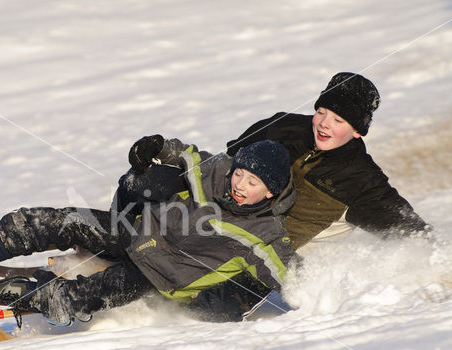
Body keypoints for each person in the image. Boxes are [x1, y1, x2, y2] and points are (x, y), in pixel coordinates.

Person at [0, 139, 296, 323]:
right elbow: (188, 155)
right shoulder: (220, 171)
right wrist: (157, 146)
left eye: (253, 183)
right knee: (59, 220)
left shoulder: (265, 235)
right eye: (240, 174)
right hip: (136, 230)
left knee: (84, 296)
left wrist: (327, 299)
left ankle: (17, 294)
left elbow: (292, 277)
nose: (240, 185)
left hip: (159, 277)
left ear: (272, 191)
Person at [119, 72, 429, 253]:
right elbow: (224, 163)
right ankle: (115, 245)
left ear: (357, 130)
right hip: (218, 211)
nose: (323, 124)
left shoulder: (360, 178)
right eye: (322, 112)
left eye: (338, 120)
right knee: (142, 180)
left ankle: (133, 268)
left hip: (255, 247)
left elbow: (410, 232)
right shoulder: (285, 126)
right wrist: (166, 153)